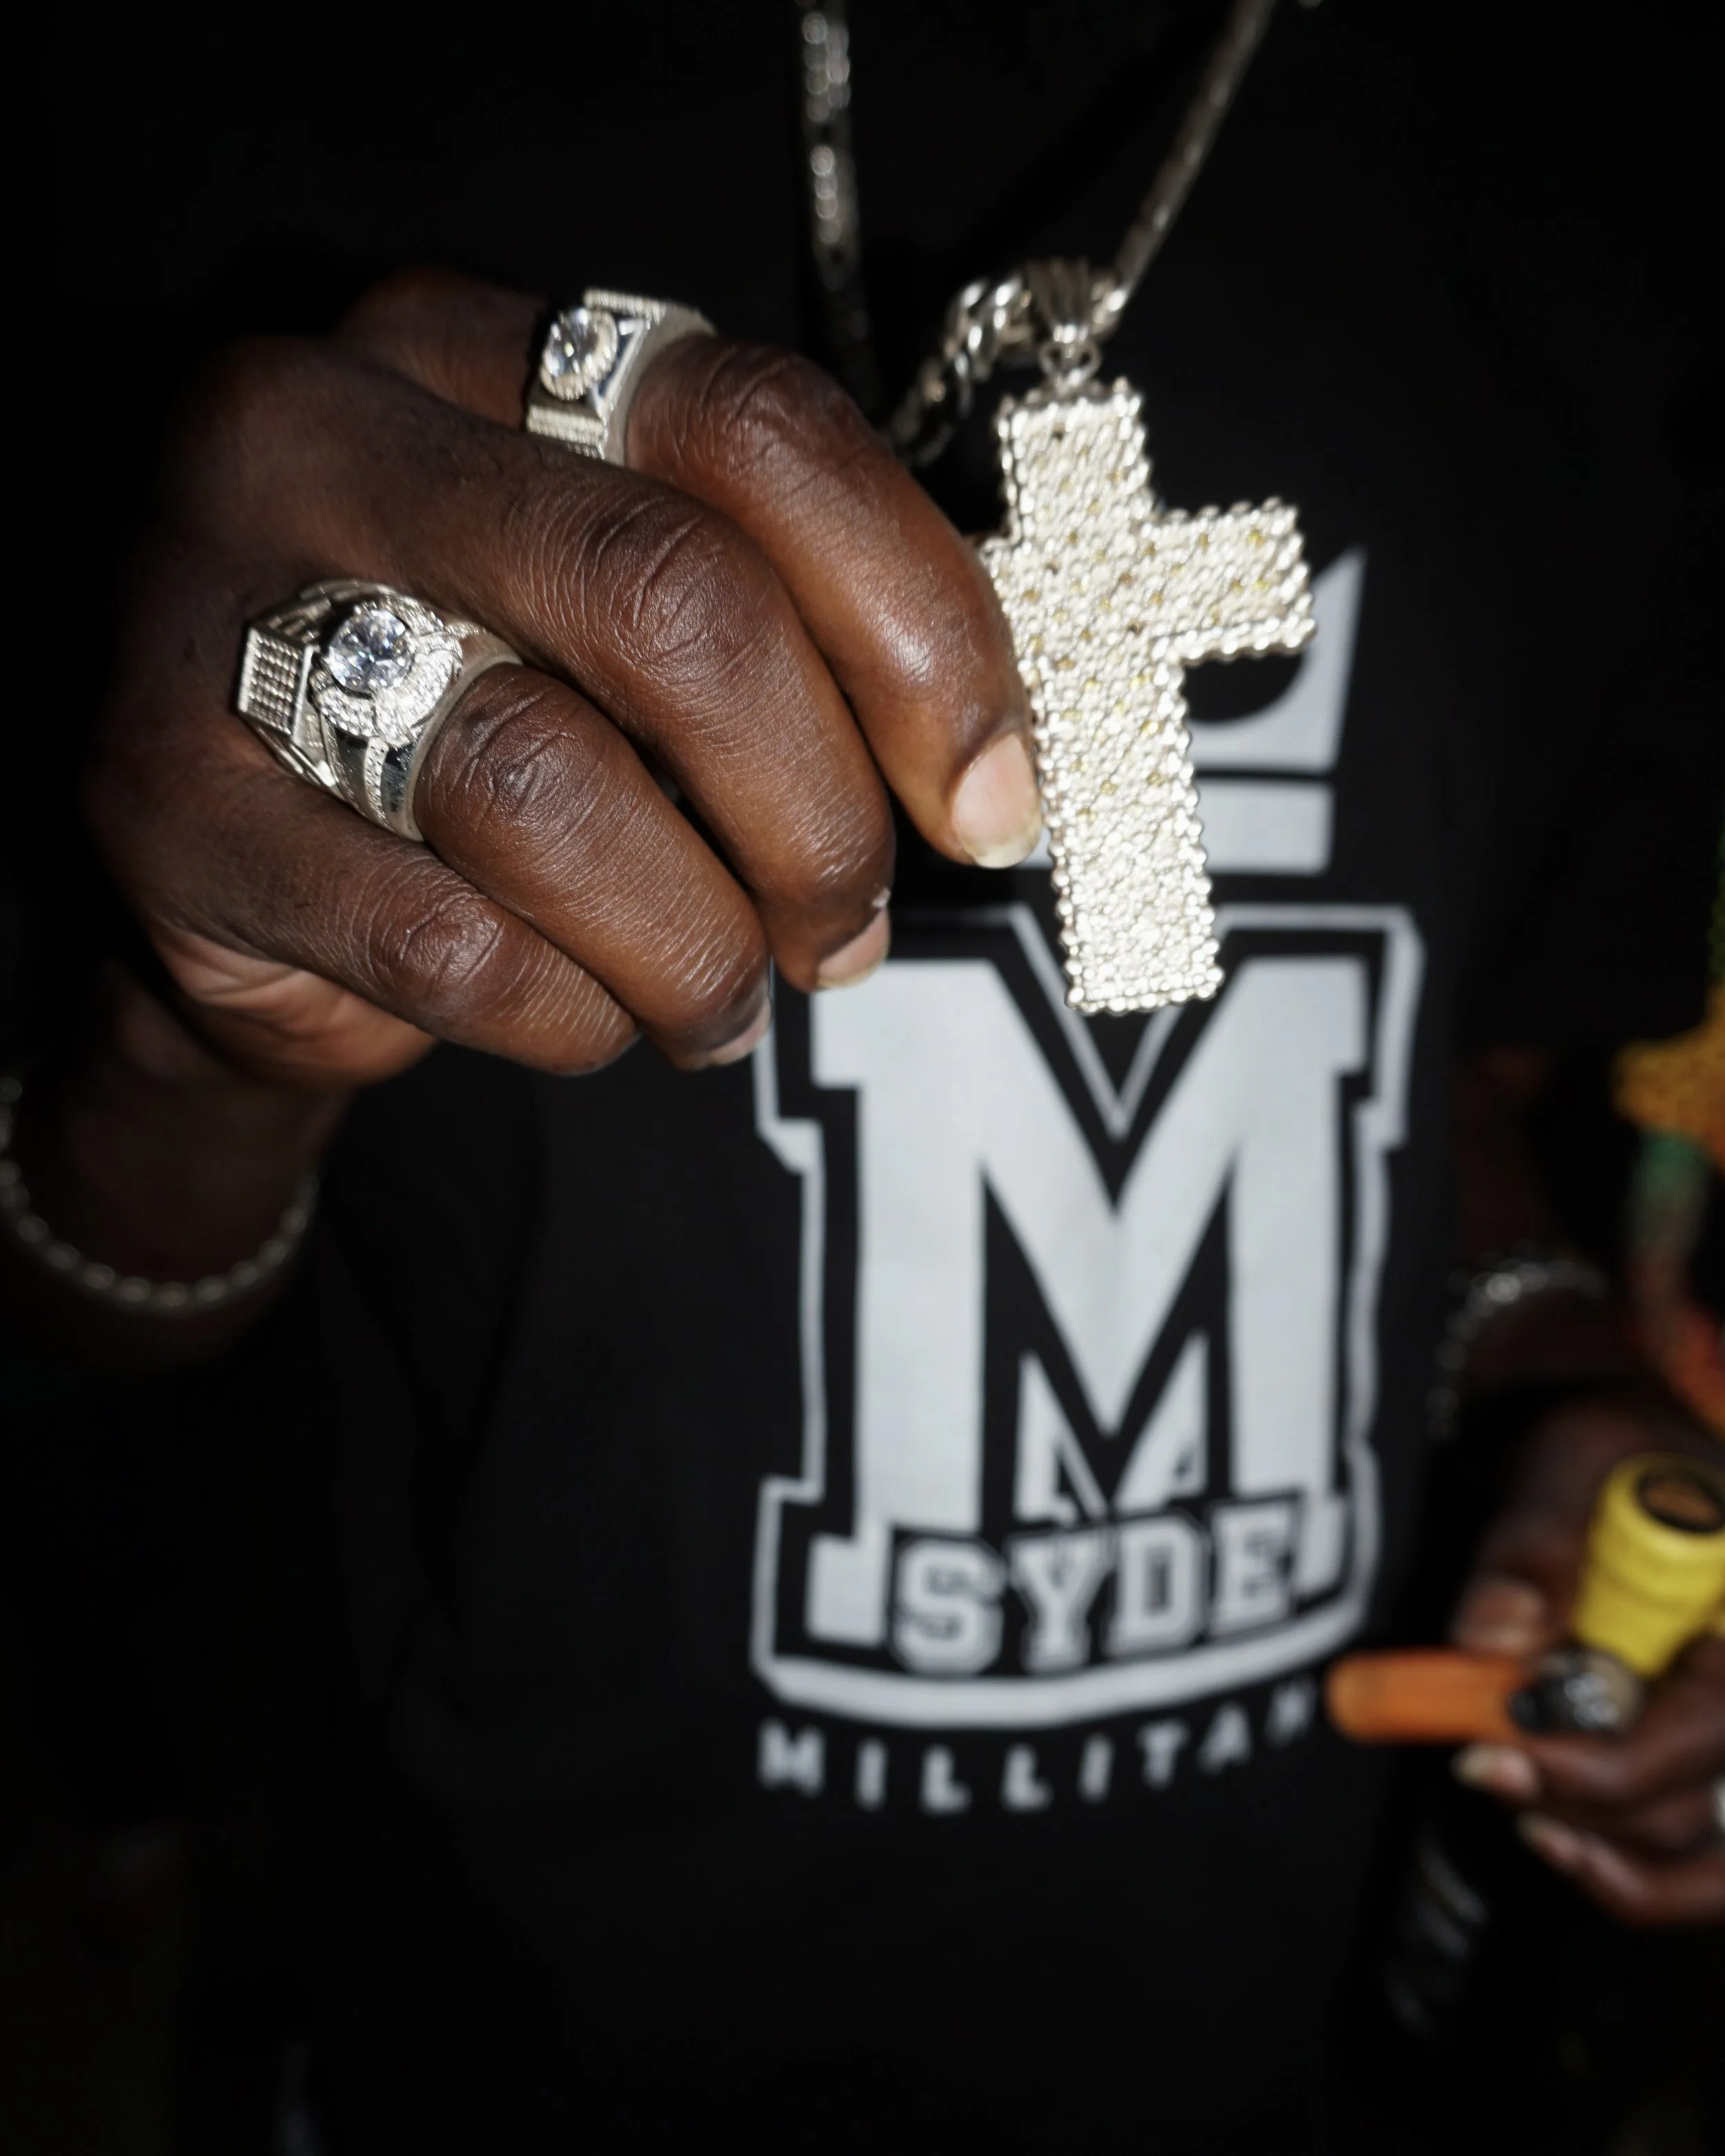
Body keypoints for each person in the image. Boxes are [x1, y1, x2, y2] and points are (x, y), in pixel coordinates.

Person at [5, 1, 1721, 2147]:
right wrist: (186, 1034)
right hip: (528, 2024)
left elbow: (1456, 1060)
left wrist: (1550, 1358)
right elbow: (70, 1292)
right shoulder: (220, 99)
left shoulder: (1626, 153)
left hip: (1287, 2011)